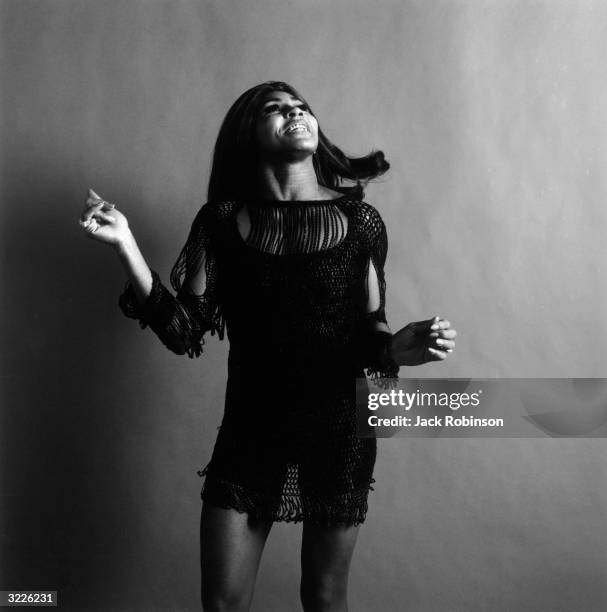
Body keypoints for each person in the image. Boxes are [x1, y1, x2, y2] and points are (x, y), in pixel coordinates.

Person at [79, 81, 457, 612]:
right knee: (223, 603)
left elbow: (372, 333)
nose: (295, 113)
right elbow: (184, 329)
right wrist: (126, 245)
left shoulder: (361, 222)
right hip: (250, 430)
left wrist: (397, 349)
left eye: (302, 107)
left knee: (325, 599)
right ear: (249, 134)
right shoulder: (220, 222)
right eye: (276, 109)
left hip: (338, 433)